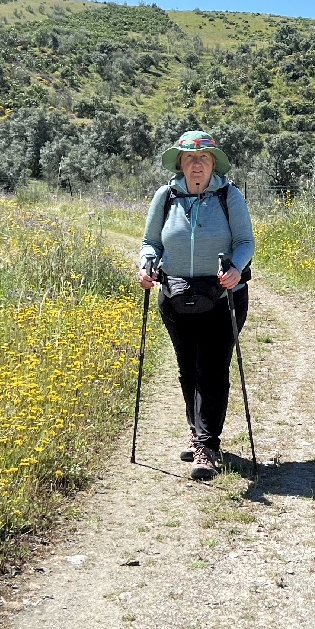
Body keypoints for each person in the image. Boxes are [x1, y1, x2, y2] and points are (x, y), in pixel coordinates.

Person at [138, 131, 254, 480]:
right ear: (180, 164)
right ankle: (197, 431)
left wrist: (235, 268)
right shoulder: (166, 196)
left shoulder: (228, 195)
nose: (197, 164)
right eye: (190, 158)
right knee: (188, 369)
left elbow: (245, 240)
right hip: (175, 295)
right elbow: (150, 242)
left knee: (212, 370)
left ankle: (207, 444)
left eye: (204, 158)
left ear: (213, 163)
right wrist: (146, 265)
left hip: (222, 296)